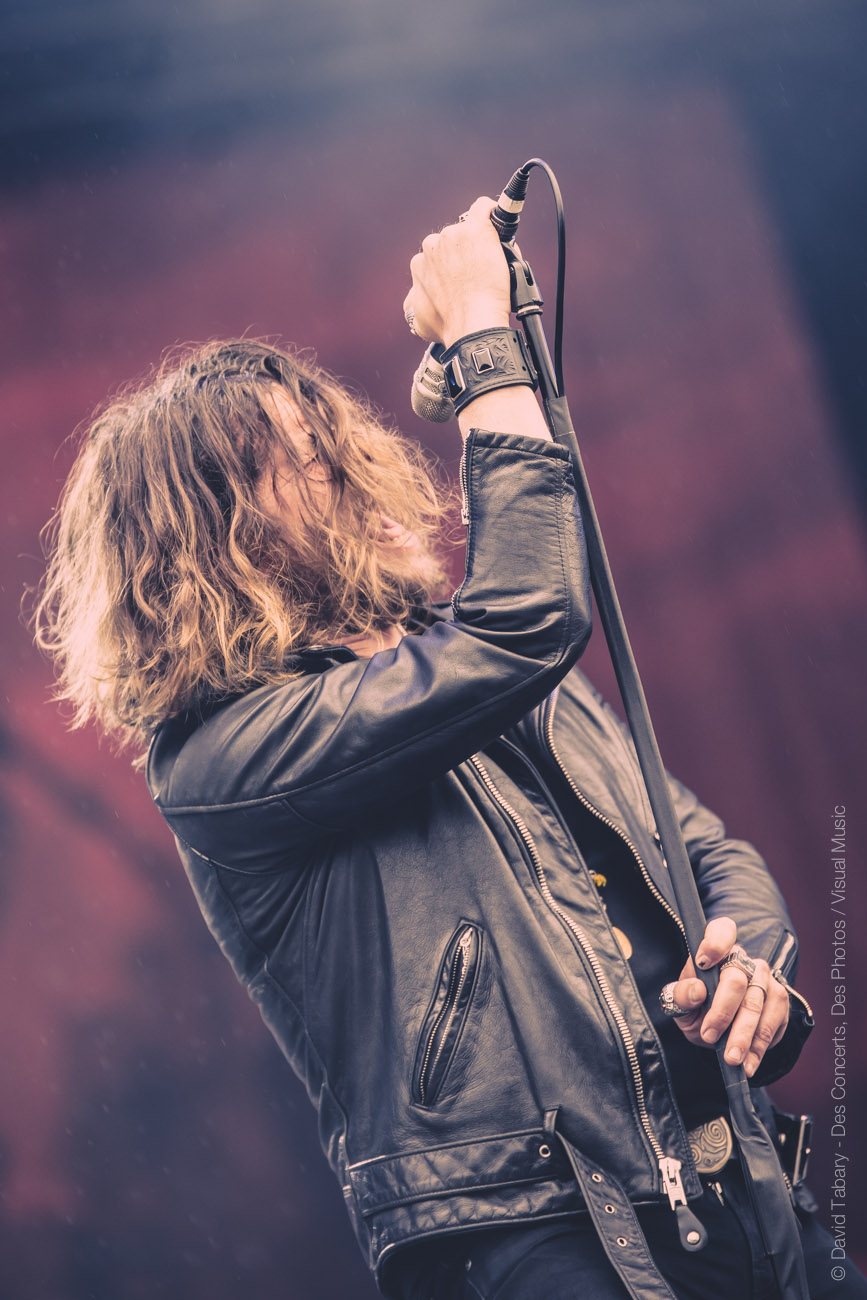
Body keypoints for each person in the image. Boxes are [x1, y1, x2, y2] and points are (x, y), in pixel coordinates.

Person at [33, 195, 865, 1299]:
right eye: (298, 457)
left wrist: (753, 963)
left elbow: (703, 845)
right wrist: (483, 342)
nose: (342, 460)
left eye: (329, 437)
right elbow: (526, 616)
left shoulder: (464, 655)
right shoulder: (222, 756)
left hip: (745, 1186)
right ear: (210, 535)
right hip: (533, 1231)